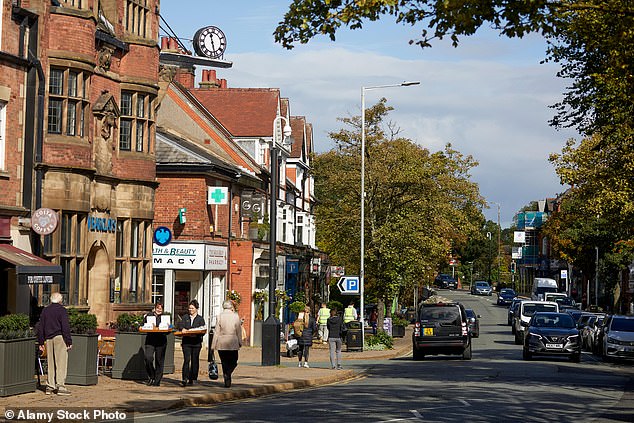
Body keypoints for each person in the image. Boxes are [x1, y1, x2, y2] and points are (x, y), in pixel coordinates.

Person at [37, 292, 72, 396]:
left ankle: (50, 386)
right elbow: (65, 327)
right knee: (61, 362)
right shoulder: (62, 310)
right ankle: (60, 386)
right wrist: (68, 340)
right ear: (60, 300)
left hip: (48, 339)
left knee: (51, 363)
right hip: (59, 338)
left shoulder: (45, 310)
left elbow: (41, 326)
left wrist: (40, 341)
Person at [211, 300, 242, 388]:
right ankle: (228, 374)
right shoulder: (235, 316)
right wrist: (240, 342)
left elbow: (216, 332)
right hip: (233, 342)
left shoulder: (219, 316)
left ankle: (227, 380)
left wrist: (213, 345)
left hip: (221, 342)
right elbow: (238, 331)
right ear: (231, 307)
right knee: (234, 361)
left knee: (224, 362)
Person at [178, 299, 205, 387]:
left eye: (192, 308)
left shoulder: (200, 319)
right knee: (186, 360)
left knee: (195, 360)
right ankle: (184, 378)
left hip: (196, 343)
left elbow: (203, 330)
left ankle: (193, 378)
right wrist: (182, 329)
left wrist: (196, 333)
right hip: (186, 342)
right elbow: (180, 325)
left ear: (196, 309)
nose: (190, 310)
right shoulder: (185, 317)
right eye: (189, 308)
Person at [143, 302, 168, 386]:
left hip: (161, 340)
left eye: (161, 308)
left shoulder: (165, 317)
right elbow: (143, 325)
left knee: (159, 361)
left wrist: (167, 328)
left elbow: (169, 328)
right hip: (150, 340)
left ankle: (157, 380)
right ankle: (152, 375)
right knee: (148, 358)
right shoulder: (148, 316)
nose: (159, 309)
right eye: (158, 308)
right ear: (155, 308)